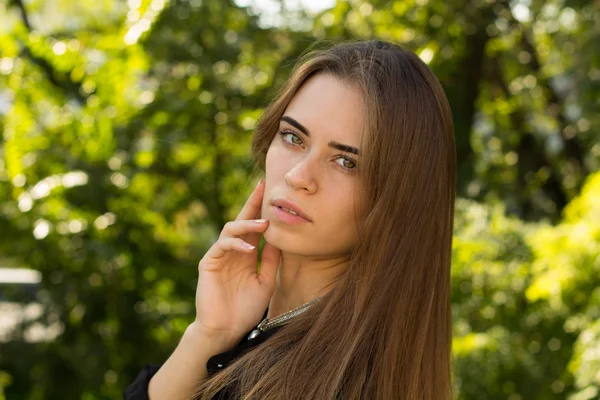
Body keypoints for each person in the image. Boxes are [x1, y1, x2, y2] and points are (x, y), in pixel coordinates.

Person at [124, 39, 456, 400]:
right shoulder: (250, 318)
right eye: (293, 137)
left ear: (399, 197)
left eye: (347, 163)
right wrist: (209, 334)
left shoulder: (348, 381)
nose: (299, 175)